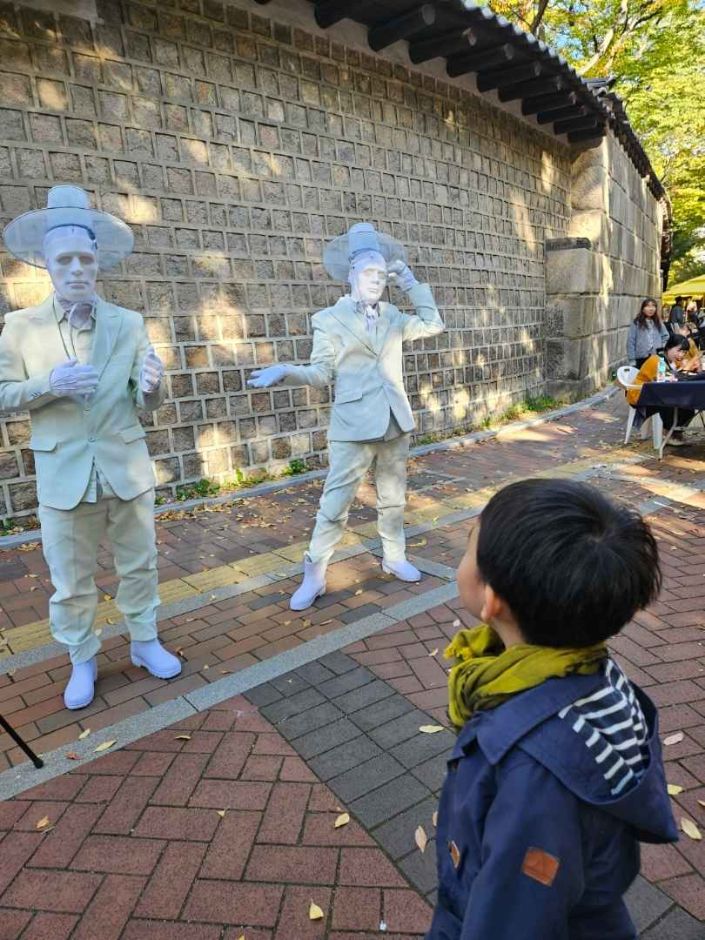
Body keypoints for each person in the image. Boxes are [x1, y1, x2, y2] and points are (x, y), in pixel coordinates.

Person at [426, 478, 677, 940]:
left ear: (492, 600)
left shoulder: (533, 770)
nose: (460, 558)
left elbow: (512, 919)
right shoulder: (586, 672)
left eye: (468, 546)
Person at [0, 186, 181, 709]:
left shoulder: (127, 323)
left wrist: (151, 387)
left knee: (140, 563)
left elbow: (143, 400)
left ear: (98, 261)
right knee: (71, 580)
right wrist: (47, 384)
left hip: (125, 467)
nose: (77, 269)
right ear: (47, 266)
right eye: (65, 260)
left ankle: (145, 642)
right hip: (64, 473)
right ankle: (82, 658)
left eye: (86, 258)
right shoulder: (19, 328)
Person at [248, 222, 444, 610]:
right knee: (334, 505)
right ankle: (315, 574)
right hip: (352, 428)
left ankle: (394, 555)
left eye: (381, 275)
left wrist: (407, 277)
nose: (376, 281)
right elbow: (322, 374)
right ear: (351, 275)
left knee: (393, 498)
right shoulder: (328, 320)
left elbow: (435, 324)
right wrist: (287, 369)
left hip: (394, 422)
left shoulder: (393, 316)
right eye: (369, 273)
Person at [626, 334, 695, 444]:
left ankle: (673, 432)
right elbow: (663, 380)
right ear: (668, 347)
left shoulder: (673, 362)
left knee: (688, 405)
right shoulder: (656, 360)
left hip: (655, 393)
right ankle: (668, 433)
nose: (681, 355)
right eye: (679, 350)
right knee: (674, 404)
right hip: (641, 395)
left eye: (684, 352)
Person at [626, 298, 668, 368]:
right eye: (648, 306)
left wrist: (661, 347)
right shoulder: (636, 323)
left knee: (658, 377)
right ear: (643, 309)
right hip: (640, 357)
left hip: (657, 357)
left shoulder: (659, 322)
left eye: (653, 306)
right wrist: (632, 359)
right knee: (641, 377)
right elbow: (631, 341)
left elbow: (666, 336)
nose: (651, 309)